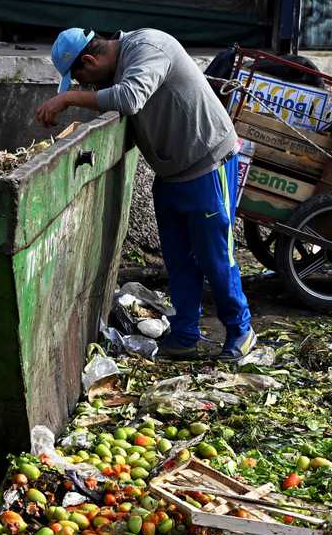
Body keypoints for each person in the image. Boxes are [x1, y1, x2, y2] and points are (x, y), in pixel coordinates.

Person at [34, 28, 255, 361]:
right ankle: (185, 334)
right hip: (170, 174)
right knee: (179, 260)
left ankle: (241, 330)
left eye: (82, 81)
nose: (87, 89)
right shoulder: (122, 66)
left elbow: (129, 98)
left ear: (91, 60)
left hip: (207, 165)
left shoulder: (148, 47)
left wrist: (67, 99)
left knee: (215, 258)